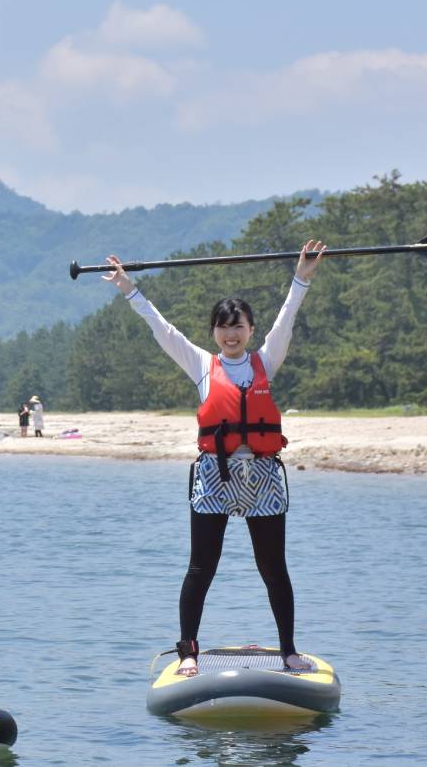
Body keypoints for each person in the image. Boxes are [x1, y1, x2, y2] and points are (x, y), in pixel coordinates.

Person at [102, 241, 326, 677]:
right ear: (213, 333)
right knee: (201, 568)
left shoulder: (266, 360)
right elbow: (162, 329)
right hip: (214, 476)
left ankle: (289, 652)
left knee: (273, 568)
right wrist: (129, 289)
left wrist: (302, 277)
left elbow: (287, 318)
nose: (231, 333)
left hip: (262, 476)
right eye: (223, 327)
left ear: (250, 328)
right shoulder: (202, 365)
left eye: (238, 325)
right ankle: (188, 652)